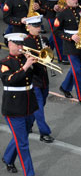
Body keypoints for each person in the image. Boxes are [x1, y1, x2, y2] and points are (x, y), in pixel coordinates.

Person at [0, 32, 40, 176]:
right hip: (14, 107)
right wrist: (26, 66)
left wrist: (37, 63)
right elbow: (10, 80)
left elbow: (38, 75)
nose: (20, 47)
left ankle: (8, 158)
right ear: (9, 44)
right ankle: (29, 174)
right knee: (23, 142)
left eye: (21, 44)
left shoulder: (26, 59)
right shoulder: (5, 62)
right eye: (17, 44)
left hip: (29, 104)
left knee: (21, 136)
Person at [53, 0, 81, 107]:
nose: (76, 1)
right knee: (77, 71)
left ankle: (65, 87)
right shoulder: (62, 13)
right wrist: (70, 37)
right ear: (66, 0)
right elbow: (56, 31)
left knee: (76, 68)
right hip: (70, 45)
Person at [23, 15, 55, 143]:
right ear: (29, 27)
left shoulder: (44, 39)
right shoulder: (25, 42)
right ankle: (44, 132)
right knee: (39, 108)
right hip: (33, 78)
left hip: (44, 77)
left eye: (39, 26)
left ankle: (28, 125)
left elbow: (50, 57)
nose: (38, 28)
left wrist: (48, 56)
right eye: (35, 26)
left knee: (40, 105)